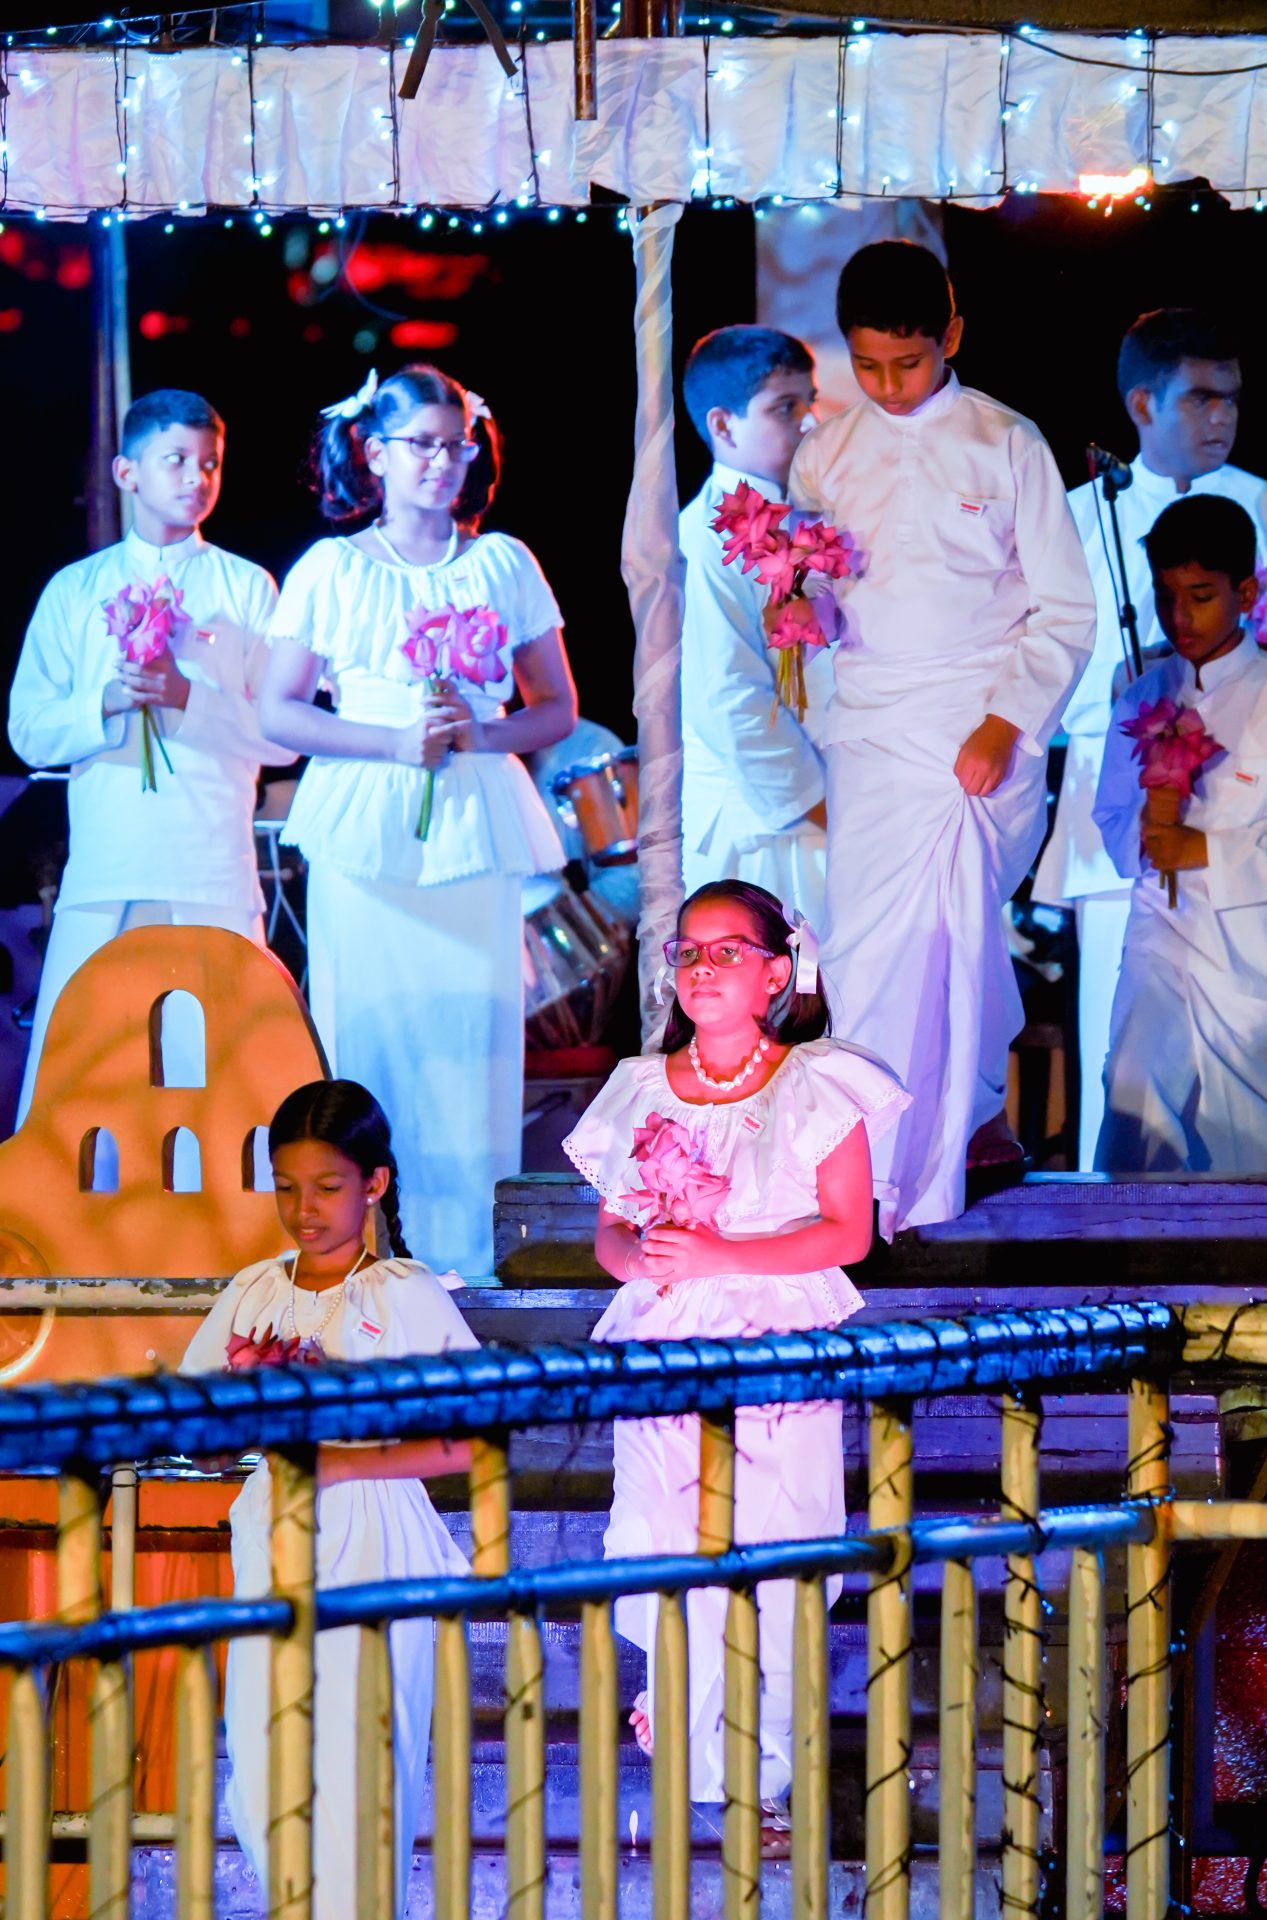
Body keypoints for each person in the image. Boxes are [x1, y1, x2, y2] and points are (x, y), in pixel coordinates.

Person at [563, 880, 908, 1845]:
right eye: (688, 953)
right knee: (669, 1528)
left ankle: (765, 1770)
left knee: (771, 1535)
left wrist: (720, 1256)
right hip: (664, 1331)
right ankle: (688, 1728)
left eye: (727, 952)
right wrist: (643, 1260)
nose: (703, 970)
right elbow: (609, 1233)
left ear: (774, 971)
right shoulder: (640, 1084)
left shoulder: (815, 1080)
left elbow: (848, 1231)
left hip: (774, 1330)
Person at [787, 241, 1094, 1233]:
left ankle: (956, 1133)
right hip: (870, 730)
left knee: (953, 934)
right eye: (867, 365)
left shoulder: (1005, 442)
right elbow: (821, 614)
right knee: (868, 950)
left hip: (977, 724)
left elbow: (1064, 613)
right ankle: (870, 1160)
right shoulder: (822, 454)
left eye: (906, 364)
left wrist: (1007, 722)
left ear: (949, 334)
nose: (887, 384)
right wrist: (798, 614)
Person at [258, 366, 577, 1280]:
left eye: (453, 444)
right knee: (369, 1033)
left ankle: (470, 1266)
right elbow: (278, 713)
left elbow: (554, 706)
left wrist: (481, 730)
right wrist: (394, 743)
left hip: (472, 816)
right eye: (420, 445)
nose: (439, 462)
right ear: (376, 453)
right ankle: (364, 1257)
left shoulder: (501, 563)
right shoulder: (333, 567)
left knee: (468, 1045)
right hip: (368, 817)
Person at [180, 1080, 475, 1920]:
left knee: (359, 1767)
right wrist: (240, 1407)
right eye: (287, 1188)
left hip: (373, 1539)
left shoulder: (404, 1294)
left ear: (375, 1184)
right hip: (271, 1535)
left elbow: (470, 1438)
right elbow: (198, 1427)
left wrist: (342, 1462)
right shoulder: (254, 1292)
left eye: (328, 1188)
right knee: (269, 1773)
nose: (304, 1210)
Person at [1034, 309, 1267, 1165]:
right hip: (1131, 827)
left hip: (1254, 829)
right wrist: (1128, 690)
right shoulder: (1075, 515)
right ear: (1143, 404)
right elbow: (1044, 667)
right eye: (1203, 399)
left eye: (1233, 400)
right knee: (1128, 1051)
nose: (1223, 418)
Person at [8, 388, 289, 1132]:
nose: (195, 478)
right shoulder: (77, 590)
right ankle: (66, 1246)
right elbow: (29, 733)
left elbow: (285, 735)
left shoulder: (246, 586)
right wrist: (101, 701)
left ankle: (226, 1245)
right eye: (175, 460)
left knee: (221, 1075)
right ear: (127, 473)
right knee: (85, 1070)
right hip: (107, 867)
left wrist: (186, 697)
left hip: (212, 867)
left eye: (210, 463)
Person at [1094, 496, 1267, 1173]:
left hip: (1253, 959)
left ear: (1248, 592)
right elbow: (1110, 819)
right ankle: (1136, 1275)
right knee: (1136, 1090)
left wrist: (1207, 849)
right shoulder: (1140, 697)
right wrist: (1147, 831)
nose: (1180, 618)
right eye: (1167, 596)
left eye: (1200, 596)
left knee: (1247, 1140)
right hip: (1160, 939)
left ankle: (1249, 1282)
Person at [679, 326, 834, 926]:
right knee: (780, 1005)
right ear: (722, 425)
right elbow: (727, 699)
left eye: (808, 401)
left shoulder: (812, 521)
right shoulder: (701, 538)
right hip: (765, 827)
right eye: (784, 408)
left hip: (836, 806)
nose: (808, 422)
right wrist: (825, 804)